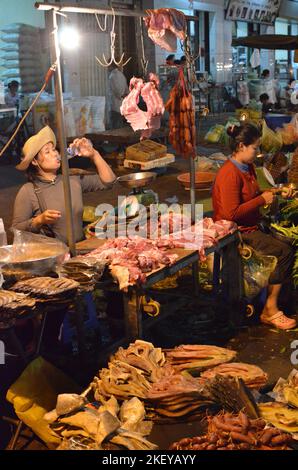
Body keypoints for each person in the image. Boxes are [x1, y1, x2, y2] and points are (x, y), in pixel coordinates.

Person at [212, 123, 296, 330]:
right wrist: (262, 201)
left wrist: (278, 192)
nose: (258, 151)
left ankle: (276, 297)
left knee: (288, 241)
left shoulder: (247, 167)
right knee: (282, 252)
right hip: (236, 232)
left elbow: (255, 194)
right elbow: (230, 214)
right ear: (241, 146)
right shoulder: (229, 174)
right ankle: (270, 310)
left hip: (251, 225)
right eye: (255, 147)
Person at [12, 125, 116, 244]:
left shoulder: (71, 179)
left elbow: (109, 182)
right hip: (52, 257)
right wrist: (38, 220)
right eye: (47, 152)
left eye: (54, 149)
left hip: (79, 250)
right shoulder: (28, 191)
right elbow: (16, 229)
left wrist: (94, 154)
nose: (55, 154)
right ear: (35, 161)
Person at [107, 63, 129, 129]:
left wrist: (121, 95)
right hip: (121, 105)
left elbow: (117, 91)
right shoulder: (121, 75)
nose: (107, 68)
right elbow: (127, 90)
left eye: (108, 66)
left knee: (114, 128)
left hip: (114, 106)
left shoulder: (112, 76)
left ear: (111, 66)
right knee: (120, 127)